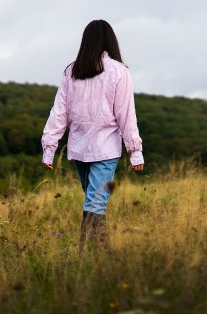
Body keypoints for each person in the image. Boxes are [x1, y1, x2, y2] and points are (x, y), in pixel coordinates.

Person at [41, 19, 144, 252]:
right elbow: (126, 114)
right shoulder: (117, 71)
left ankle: (98, 256)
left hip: (80, 149)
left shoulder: (73, 70)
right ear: (110, 41)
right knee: (95, 203)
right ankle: (90, 258)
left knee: (94, 203)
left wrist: (50, 149)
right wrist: (135, 153)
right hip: (104, 148)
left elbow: (59, 112)